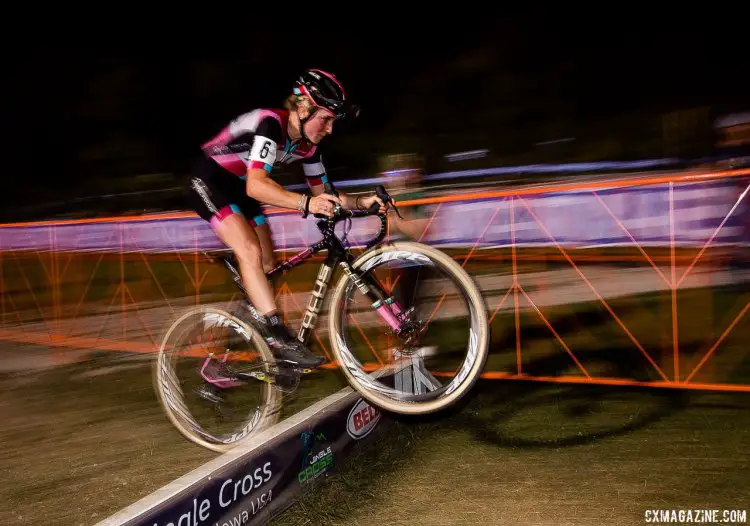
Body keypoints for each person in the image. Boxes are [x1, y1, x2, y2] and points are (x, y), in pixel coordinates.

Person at [187, 69, 386, 369]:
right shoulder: (271, 124)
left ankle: (230, 346)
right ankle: (278, 338)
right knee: (250, 251)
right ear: (303, 108)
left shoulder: (309, 147)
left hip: (241, 188)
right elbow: (258, 185)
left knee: (268, 266)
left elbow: (326, 194)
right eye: (327, 118)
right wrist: (306, 203)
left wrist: (361, 201)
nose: (330, 129)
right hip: (210, 179)